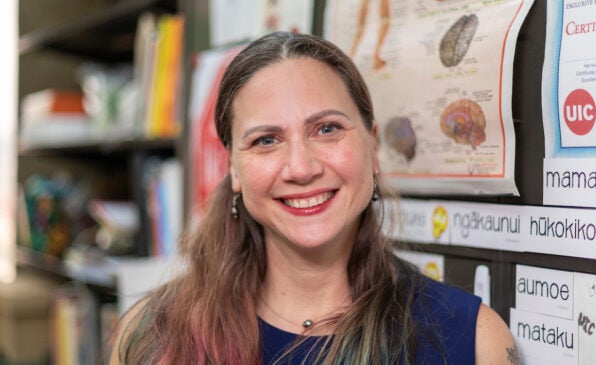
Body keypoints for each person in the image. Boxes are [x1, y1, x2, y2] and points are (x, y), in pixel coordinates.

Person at [110, 31, 519, 364]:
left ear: (372, 148)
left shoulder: (473, 342)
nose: (301, 168)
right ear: (234, 169)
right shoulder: (150, 336)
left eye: (326, 129)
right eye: (266, 140)